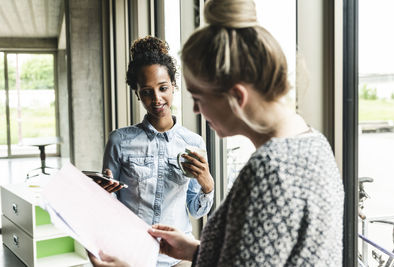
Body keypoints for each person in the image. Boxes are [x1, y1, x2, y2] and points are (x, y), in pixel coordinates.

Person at [89, 0, 344, 266]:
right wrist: (194, 251)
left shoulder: (271, 170)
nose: (197, 110)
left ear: (236, 96)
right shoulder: (315, 143)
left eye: (198, 97)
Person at [98, 36, 214, 267]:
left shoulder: (193, 142)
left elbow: (196, 210)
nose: (157, 99)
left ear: (174, 85)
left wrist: (207, 185)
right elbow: (109, 206)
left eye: (163, 88)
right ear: (137, 93)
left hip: (178, 258)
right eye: (147, 91)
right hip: (131, 254)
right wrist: (103, 193)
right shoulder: (119, 140)